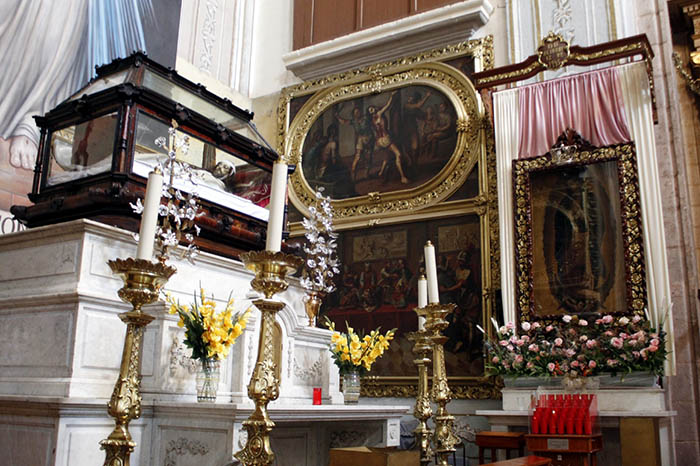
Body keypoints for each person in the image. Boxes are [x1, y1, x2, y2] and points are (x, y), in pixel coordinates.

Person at [368, 92, 409, 184]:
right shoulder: (379, 114)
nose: (374, 108)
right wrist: (392, 96)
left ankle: (381, 172)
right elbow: (388, 105)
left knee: (387, 156)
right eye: (372, 109)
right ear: (372, 111)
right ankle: (402, 177)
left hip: (379, 141)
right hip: (386, 139)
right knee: (398, 154)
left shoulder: (372, 120)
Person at [335, 104, 374, 181]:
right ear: (353, 114)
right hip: (360, 139)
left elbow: (371, 113)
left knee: (368, 157)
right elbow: (343, 122)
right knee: (357, 157)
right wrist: (337, 116)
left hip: (369, 138)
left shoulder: (365, 118)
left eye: (358, 112)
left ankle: (366, 175)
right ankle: (353, 178)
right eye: (355, 113)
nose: (357, 114)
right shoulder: (353, 121)